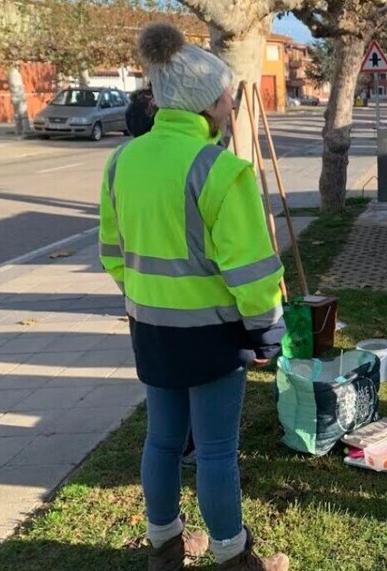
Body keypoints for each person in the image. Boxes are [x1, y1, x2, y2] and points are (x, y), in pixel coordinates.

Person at [98, 23, 289, 571]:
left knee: (161, 441)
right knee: (215, 451)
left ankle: (164, 546)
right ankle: (231, 553)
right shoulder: (221, 172)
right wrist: (266, 334)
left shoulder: (121, 162)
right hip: (212, 337)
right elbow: (251, 274)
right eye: (227, 94)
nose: (232, 103)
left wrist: (146, 299)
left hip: (151, 330)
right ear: (207, 103)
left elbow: (113, 253)